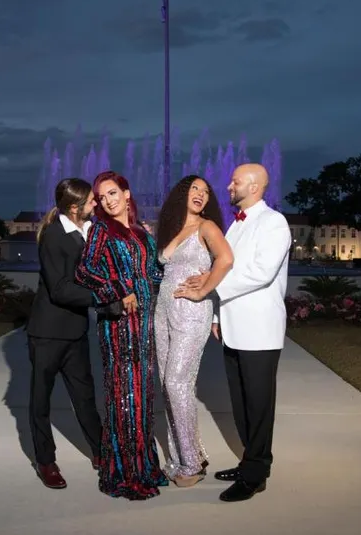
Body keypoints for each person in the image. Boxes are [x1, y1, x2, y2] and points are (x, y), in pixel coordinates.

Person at [175, 163, 291, 503]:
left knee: (258, 405)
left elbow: (260, 272)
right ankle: (248, 462)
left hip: (259, 330)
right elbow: (222, 267)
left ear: (253, 186)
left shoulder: (274, 222)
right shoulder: (236, 225)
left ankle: (256, 475)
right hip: (233, 328)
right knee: (240, 404)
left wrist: (209, 285)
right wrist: (216, 315)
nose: (228, 186)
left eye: (235, 181)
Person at [75, 170, 168, 501]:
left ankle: (144, 466)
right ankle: (124, 472)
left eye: (112, 193)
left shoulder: (141, 232)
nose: (107, 201)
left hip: (144, 323)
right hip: (118, 323)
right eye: (102, 197)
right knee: (123, 394)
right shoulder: (101, 230)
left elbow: (153, 273)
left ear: (127, 194)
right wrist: (118, 289)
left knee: (142, 394)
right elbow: (85, 271)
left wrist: (181, 272)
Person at [154, 175, 233, 487]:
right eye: (194, 189)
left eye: (206, 191)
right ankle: (181, 457)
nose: (201, 194)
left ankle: (191, 465)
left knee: (177, 383)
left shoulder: (207, 227)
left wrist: (203, 290)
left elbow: (226, 259)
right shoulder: (172, 228)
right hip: (163, 311)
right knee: (167, 385)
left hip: (191, 313)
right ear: (182, 194)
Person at [26, 178, 104, 489]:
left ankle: (101, 452)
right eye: (91, 201)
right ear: (74, 207)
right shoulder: (54, 236)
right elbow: (59, 289)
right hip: (47, 333)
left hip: (75, 331)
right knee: (40, 401)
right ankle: (46, 462)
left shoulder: (89, 230)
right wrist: (102, 297)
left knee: (85, 397)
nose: (96, 204)